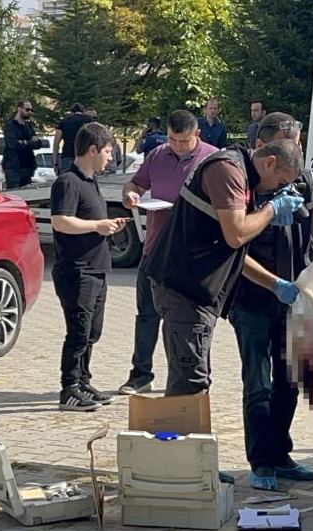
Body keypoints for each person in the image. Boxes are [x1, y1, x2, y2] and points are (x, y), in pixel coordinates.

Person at [231, 112, 313, 490]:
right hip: (252, 295)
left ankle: (280, 453)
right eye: (291, 141)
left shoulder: (303, 177)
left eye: (298, 143)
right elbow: (233, 246)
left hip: (293, 296)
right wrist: (273, 284)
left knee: (288, 380)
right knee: (258, 382)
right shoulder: (242, 179)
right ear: (267, 143)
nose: (297, 149)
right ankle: (260, 461)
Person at [146, 138, 305, 399]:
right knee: (190, 382)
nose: (278, 191)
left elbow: (234, 252)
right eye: (280, 183)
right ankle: (177, 436)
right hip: (185, 289)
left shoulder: (244, 176)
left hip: (197, 291)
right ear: (269, 163)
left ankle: (184, 436)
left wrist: (274, 284)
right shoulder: (228, 170)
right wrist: (271, 210)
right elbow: (236, 235)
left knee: (195, 377)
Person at [117, 110, 218, 395]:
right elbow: (136, 183)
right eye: (172, 139)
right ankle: (140, 374)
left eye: (183, 141)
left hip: (191, 254)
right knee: (147, 314)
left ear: (196, 135)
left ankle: (196, 376)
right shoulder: (158, 155)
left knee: (193, 320)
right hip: (155, 248)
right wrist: (131, 194)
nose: (176, 146)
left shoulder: (212, 159)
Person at [50, 122, 128, 412]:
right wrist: (97, 225)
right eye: (107, 151)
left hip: (97, 268)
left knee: (92, 332)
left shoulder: (90, 180)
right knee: (78, 331)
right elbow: (61, 221)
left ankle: (83, 380)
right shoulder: (67, 182)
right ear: (92, 150)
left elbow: (87, 221)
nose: (110, 157)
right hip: (77, 271)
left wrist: (107, 226)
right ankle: (69, 388)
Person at [2, 100, 43, 189]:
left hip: (28, 167)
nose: (30, 112)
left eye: (31, 110)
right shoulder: (10, 125)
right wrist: (30, 142)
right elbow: (12, 144)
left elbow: (38, 144)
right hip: (13, 167)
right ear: (19, 109)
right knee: (14, 195)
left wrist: (24, 142)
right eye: (27, 110)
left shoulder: (29, 126)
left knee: (27, 195)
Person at [53, 103, 94, 175]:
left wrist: (55, 163)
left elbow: (56, 144)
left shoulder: (64, 122)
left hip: (67, 155)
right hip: (84, 156)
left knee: (66, 182)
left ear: (71, 112)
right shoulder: (89, 121)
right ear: (83, 111)